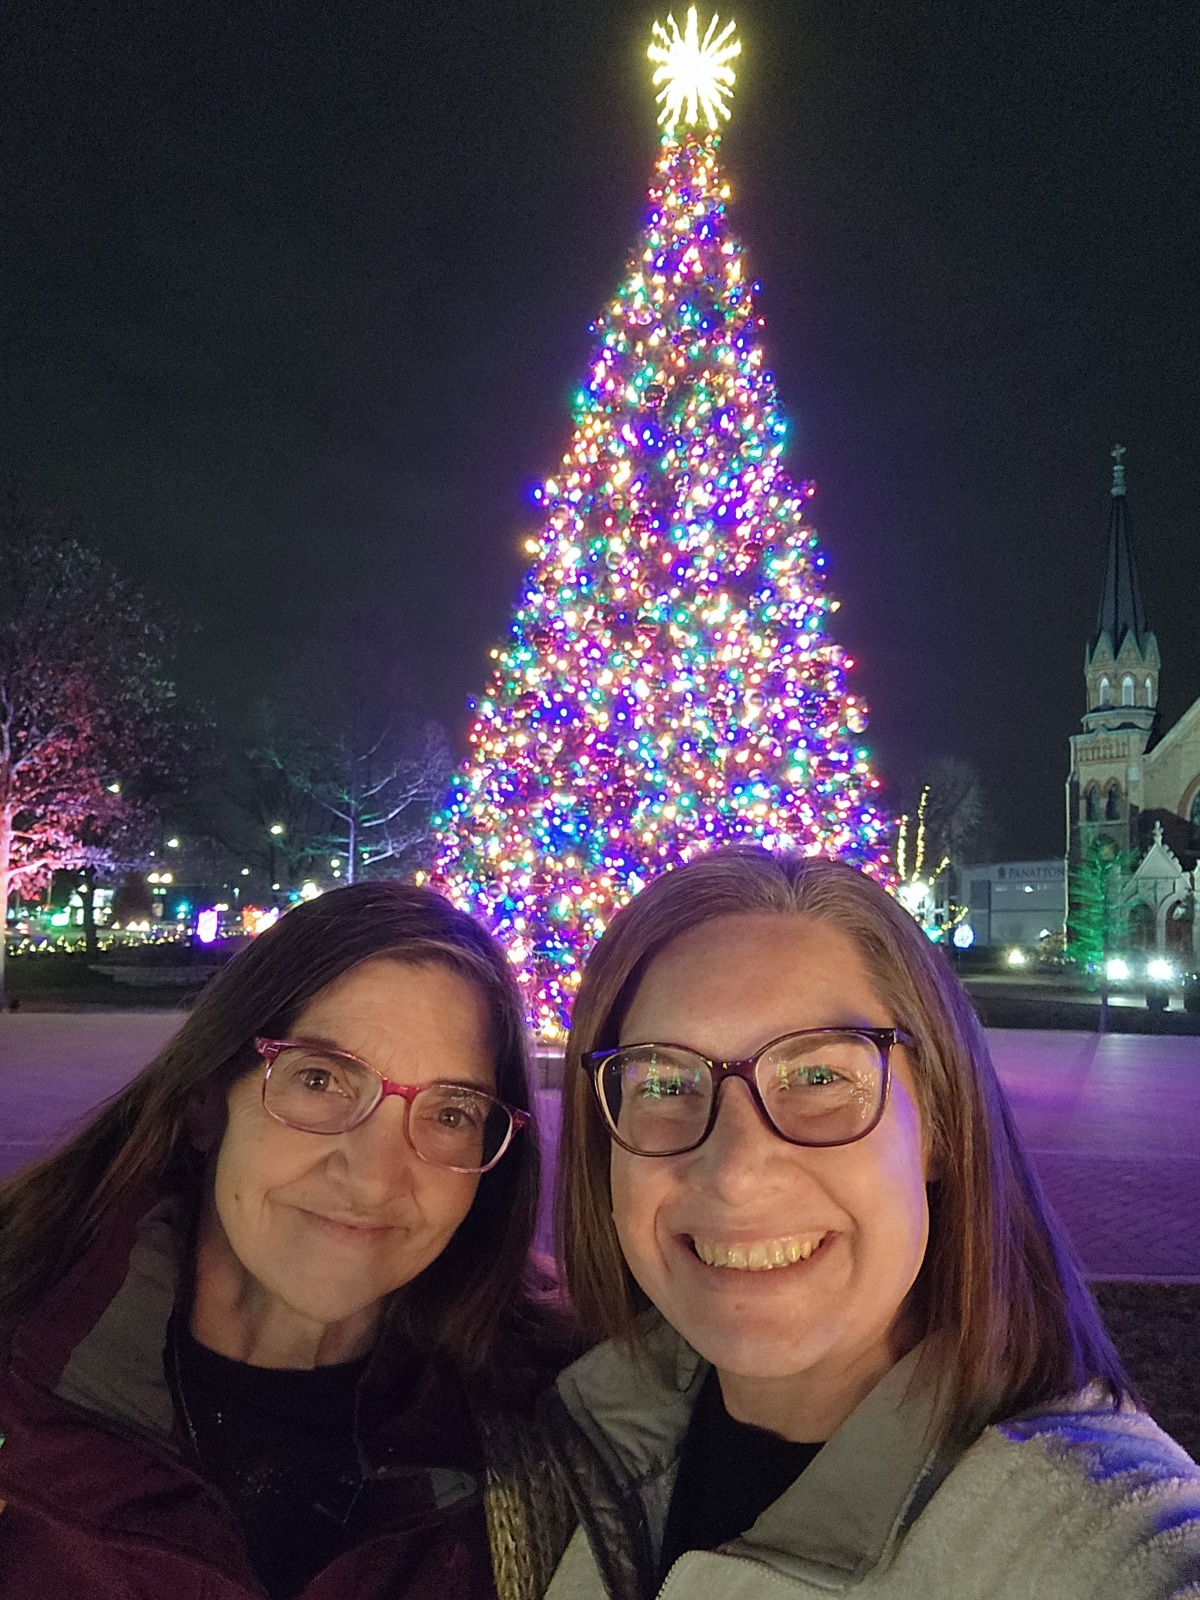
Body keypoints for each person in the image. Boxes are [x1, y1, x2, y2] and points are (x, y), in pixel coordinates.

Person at [541, 849, 1200, 1599]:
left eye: (820, 1076)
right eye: (663, 1083)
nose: (735, 1171)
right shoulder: (565, 1452)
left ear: (941, 1124)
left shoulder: (1092, 1541)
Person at [0, 882, 575, 1600]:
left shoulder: (566, 1417)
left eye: (451, 1113)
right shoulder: (25, 1354)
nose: (374, 1178)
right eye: (321, 1079)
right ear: (207, 1100)